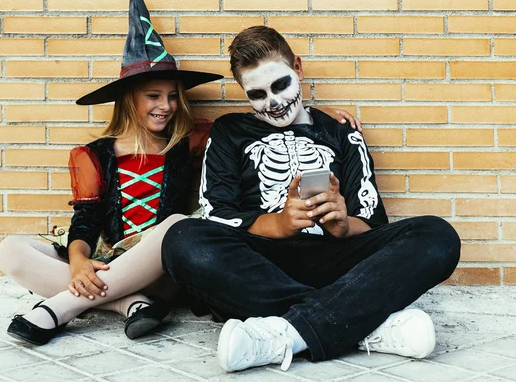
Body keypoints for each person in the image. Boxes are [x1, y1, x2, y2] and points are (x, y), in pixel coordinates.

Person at [0, 0, 360, 346]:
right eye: (153, 96)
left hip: (160, 264)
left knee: (177, 225)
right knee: (9, 251)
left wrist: (319, 120)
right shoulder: (93, 155)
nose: (166, 106)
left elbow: (260, 127)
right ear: (130, 99)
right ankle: (128, 304)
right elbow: (86, 219)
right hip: (108, 259)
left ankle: (57, 309)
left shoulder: (193, 140)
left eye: (173, 96)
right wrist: (78, 261)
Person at [158, 26, 462, 372]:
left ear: (298, 69)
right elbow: (216, 214)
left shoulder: (340, 131)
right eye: (257, 94)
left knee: (437, 235)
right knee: (182, 239)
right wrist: (279, 224)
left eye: (281, 85)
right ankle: (364, 325)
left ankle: (283, 333)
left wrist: (342, 225)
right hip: (262, 265)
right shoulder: (230, 132)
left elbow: (374, 224)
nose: (272, 102)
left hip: (337, 259)